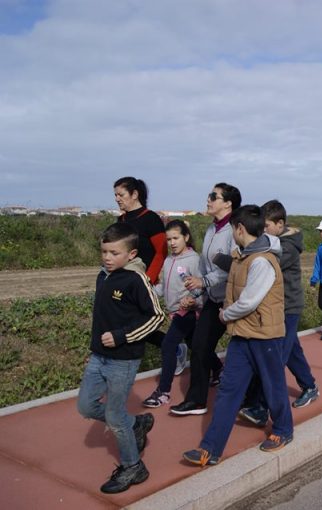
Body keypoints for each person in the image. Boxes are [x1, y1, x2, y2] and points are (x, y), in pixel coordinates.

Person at [182, 205, 293, 466]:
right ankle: (210, 448)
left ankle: (283, 430)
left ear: (240, 229)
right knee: (229, 390)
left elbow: (249, 301)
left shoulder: (263, 261)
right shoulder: (243, 256)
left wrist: (224, 315)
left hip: (265, 335)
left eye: (233, 229)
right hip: (243, 335)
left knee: (273, 386)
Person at [76, 223, 164, 494]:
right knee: (86, 406)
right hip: (99, 357)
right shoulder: (103, 276)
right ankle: (135, 423)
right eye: (104, 251)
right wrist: (93, 349)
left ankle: (132, 466)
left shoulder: (135, 279)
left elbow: (157, 317)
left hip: (123, 361)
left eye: (114, 252)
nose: (107, 257)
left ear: (131, 253)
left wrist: (122, 337)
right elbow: (102, 317)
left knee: (114, 416)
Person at [239, 199, 319, 429]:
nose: (262, 231)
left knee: (274, 360)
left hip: (288, 308)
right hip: (275, 308)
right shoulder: (272, 242)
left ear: (280, 224)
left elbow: (265, 263)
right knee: (291, 350)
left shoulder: (288, 247)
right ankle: (310, 386)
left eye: (266, 226)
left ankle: (261, 408)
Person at [171, 183, 241, 416]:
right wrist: (197, 284)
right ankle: (197, 401)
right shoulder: (212, 228)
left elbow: (233, 266)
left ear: (228, 203)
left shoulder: (235, 229)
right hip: (214, 299)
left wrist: (205, 281)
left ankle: (255, 400)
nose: (208, 199)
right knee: (199, 346)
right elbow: (206, 263)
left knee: (249, 352)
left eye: (213, 196)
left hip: (233, 300)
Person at [141, 220, 204, 408]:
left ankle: (163, 392)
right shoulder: (169, 260)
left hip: (187, 312)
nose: (172, 243)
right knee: (196, 345)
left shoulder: (194, 260)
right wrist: (149, 292)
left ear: (186, 237)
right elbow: (166, 287)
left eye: (176, 238)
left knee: (168, 345)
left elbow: (201, 286)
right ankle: (218, 370)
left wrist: (193, 300)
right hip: (174, 312)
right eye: (169, 239)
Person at [114, 177, 167, 285]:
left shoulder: (151, 218)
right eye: (115, 195)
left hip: (144, 281)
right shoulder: (120, 220)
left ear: (134, 194)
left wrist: (148, 279)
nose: (117, 199)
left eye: (121, 195)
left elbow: (161, 252)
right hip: (122, 281)